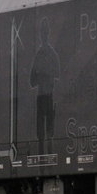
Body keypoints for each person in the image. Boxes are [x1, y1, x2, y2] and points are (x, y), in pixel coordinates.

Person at [28, 17, 59, 155]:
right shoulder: (42, 55)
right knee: (43, 135)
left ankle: (49, 160)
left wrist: (43, 74)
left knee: (48, 134)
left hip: (47, 96)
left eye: (45, 31)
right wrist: (43, 75)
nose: (43, 34)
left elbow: (56, 75)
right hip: (43, 97)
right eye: (42, 31)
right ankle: (43, 161)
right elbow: (32, 80)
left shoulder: (49, 55)